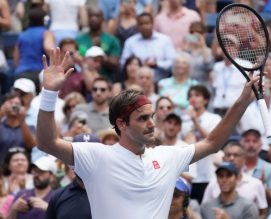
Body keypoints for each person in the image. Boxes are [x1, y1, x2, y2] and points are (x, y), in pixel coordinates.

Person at [36, 47, 259, 219]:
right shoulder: (96, 156)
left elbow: (212, 143)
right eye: (143, 118)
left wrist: (243, 100)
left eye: (151, 116)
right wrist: (49, 93)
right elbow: (47, 143)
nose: (152, 124)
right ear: (122, 124)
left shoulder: (166, 157)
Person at [202, 142, 268, 219]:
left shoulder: (256, 184)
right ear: (223, 158)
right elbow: (205, 210)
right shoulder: (213, 183)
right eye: (228, 155)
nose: (231, 158)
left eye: (236, 155)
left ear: (244, 159)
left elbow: (263, 213)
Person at [45, 133, 100, 219]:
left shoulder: (115, 193)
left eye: (91, 155)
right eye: (80, 155)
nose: (85, 160)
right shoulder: (58, 196)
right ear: (70, 158)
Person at [120, 12, 176, 81]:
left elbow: (172, 62)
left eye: (147, 23)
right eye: (141, 24)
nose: (144, 27)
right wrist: (140, 65)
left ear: (152, 24)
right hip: (137, 82)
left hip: (160, 81)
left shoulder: (164, 40)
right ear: (137, 26)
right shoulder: (130, 42)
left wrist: (157, 64)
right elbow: (123, 63)